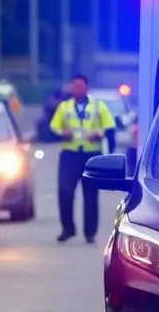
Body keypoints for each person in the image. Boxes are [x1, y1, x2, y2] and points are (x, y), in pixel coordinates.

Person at [48, 73, 116, 243]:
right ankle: (68, 229)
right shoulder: (64, 107)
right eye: (74, 86)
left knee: (91, 196)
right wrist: (62, 133)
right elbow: (53, 128)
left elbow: (109, 128)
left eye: (80, 86)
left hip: (91, 155)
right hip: (69, 155)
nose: (77, 89)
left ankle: (90, 233)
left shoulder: (98, 106)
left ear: (87, 88)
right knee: (64, 192)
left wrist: (98, 134)